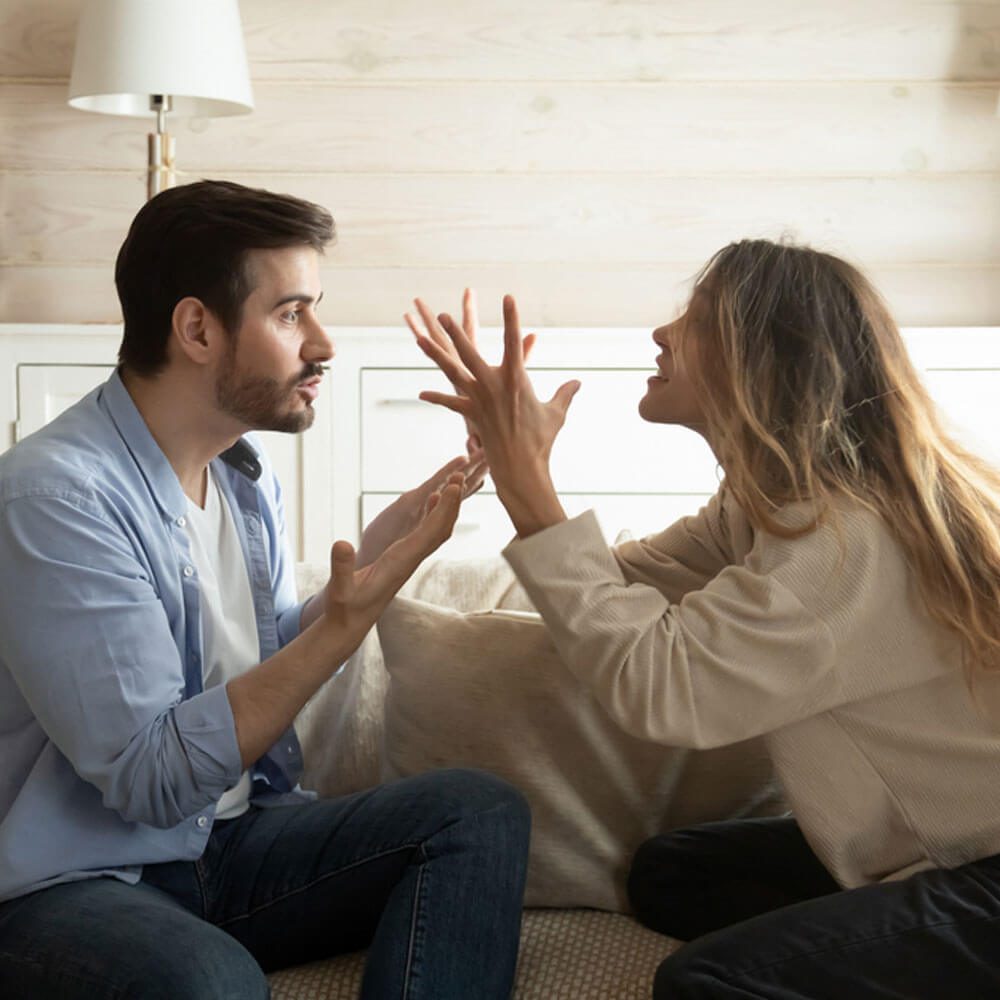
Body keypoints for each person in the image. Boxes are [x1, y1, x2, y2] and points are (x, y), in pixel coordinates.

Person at [406, 239, 1000, 999]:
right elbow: (612, 590)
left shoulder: (843, 542)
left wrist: (532, 487)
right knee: (671, 874)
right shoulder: (769, 508)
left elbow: (665, 686)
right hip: (935, 845)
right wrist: (518, 473)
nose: (661, 335)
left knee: (706, 982)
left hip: (985, 870)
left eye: (695, 320)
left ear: (759, 355)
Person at [0, 180, 531, 1000]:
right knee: (212, 982)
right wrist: (340, 632)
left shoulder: (243, 479)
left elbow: (265, 656)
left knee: (477, 812)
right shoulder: (55, 500)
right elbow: (151, 780)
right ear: (197, 328)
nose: (322, 343)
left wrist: (430, 512)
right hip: (74, 880)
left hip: (225, 842)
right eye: (291, 315)